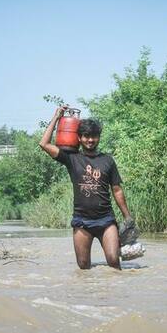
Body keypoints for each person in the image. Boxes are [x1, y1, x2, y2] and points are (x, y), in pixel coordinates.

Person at [39, 106, 133, 270]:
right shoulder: (71, 159)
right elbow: (44, 144)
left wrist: (128, 217)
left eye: (94, 136)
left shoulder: (107, 160)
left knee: (113, 261)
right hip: (82, 221)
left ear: (99, 138)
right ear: (80, 138)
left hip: (106, 221)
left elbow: (117, 190)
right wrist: (56, 117)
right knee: (83, 266)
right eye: (86, 136)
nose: (90, 140)